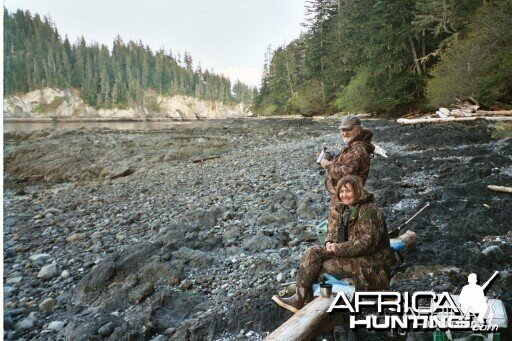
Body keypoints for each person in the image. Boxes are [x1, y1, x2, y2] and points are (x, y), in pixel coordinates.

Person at [272, 175, 394, 313]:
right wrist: (330, 242)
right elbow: (333, 230)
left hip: (373, 265)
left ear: (358, 191)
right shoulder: (345, 209)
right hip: (353, 256)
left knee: (322, 267)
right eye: (341, 192)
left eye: (348, 191)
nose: (344, 195)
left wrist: (338, 248)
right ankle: (298, 299)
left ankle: (311, 305)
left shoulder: (369, 210)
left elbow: (367, 243)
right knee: (312, 253)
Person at [319, 115, 375, 214]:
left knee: (341, 226)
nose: (345, 133)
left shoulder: (357, 149)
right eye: (342, 130)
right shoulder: (353, 146)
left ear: (358, 130)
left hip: (348, 199)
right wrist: (332, 160)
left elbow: (344, 173)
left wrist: (327, 165)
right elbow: (347, 164)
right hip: (343, 196)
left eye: (348, 129)